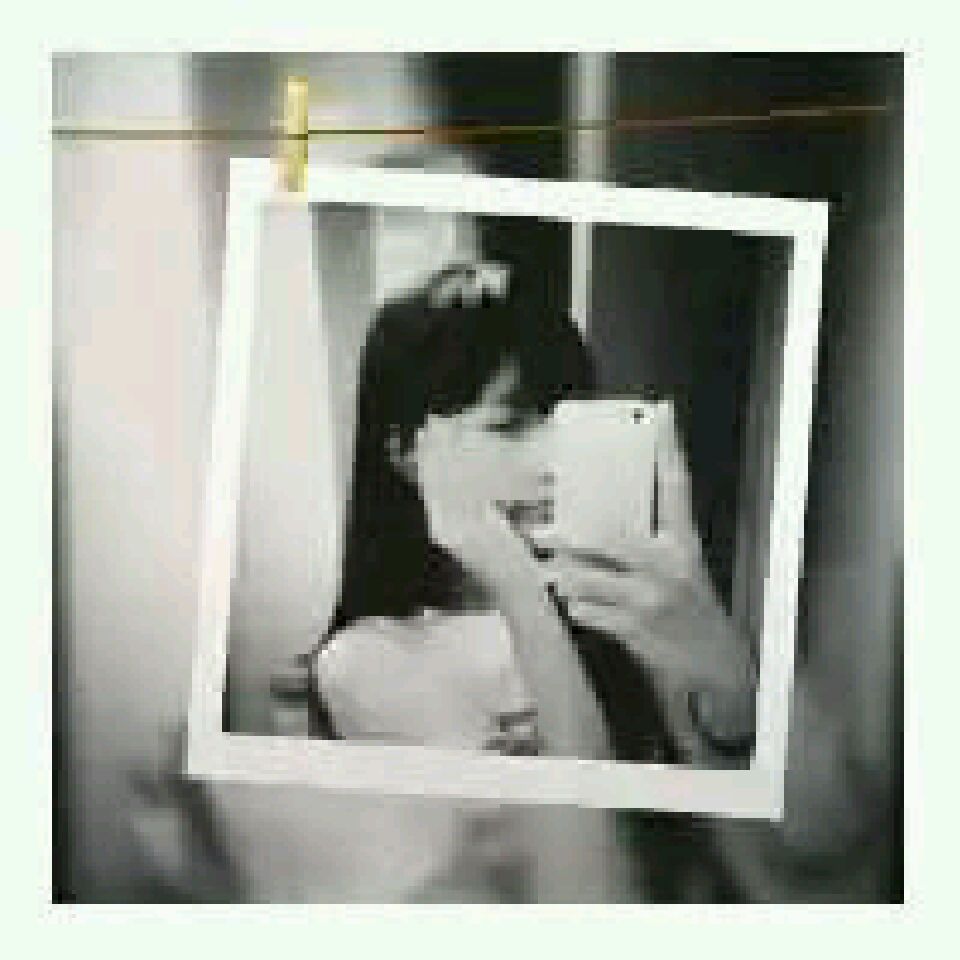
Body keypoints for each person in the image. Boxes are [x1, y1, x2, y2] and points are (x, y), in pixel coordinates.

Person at [300, 260, 758, 900]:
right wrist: (518, 588)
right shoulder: (369, 660)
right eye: (509, 424)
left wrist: (722, 668)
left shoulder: (616, 599)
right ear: (407, 452)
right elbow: (581, 883)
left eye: (564, 421)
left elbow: (767, 860)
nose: (553, 460)